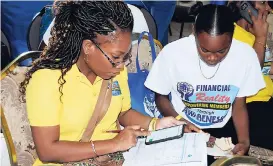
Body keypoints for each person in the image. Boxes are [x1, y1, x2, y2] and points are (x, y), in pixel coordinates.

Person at [20, 1, 198, 165]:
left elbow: (123, 112)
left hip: (111, 159)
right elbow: (48, 151)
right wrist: (114, 144)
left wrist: (156, 124)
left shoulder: (113, 72)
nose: (121, 66)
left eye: (124, 57)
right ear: (88, 47)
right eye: (115, 58)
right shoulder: (47, 80)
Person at [144, 4, 265, 164]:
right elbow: (161, 97)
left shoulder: (244, 55)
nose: (212, 58)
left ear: (232, 36)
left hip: (224, 126)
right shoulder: (173, 53)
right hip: (183, 123)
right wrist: (181, 120)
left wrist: (244, 141)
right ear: (194, 31)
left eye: (221, 51)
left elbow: (239, 104)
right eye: (205, 50)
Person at [229, 1, 273, 150]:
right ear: (244, 6)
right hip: (251, 105)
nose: (268, 8)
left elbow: (266, 67)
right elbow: (251, 72)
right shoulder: (231, 35)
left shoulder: (251, 32)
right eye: (262, 2)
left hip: (265, 98)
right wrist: (261, 37)